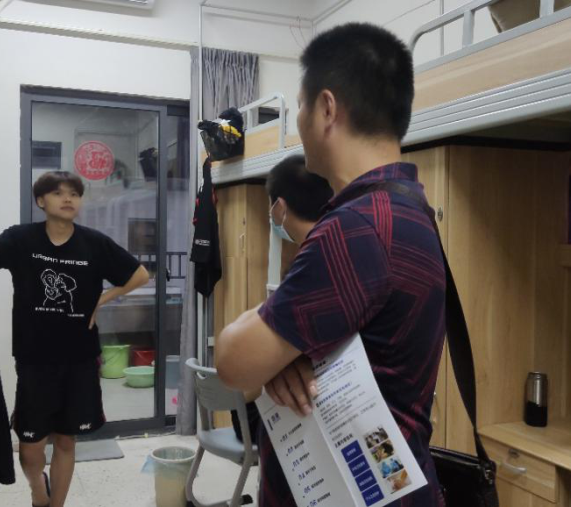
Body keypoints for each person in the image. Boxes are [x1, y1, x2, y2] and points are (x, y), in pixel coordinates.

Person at [216, 23, 446, 506]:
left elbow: (233, 362)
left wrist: (275, 353)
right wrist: (287, 353)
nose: (298, 122)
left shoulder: (356, 227)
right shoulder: (407, 206)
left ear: (326, 109)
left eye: (300, 106)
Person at [0, 171, 149, 507]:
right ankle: (39, 490)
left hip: (79, 360)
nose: (68, 199)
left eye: (74, 194)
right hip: (34, 360)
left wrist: (103, 299)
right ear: (41, 200)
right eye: (58, 193)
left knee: (66, 441)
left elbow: (139, 275)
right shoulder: (22, 239)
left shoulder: (94, 243)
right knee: (30, 448)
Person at [231, 154, 333, 444]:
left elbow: (237, 367)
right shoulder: (341, 249)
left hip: (299, 419)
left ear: (279, 208)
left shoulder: (310, 265)